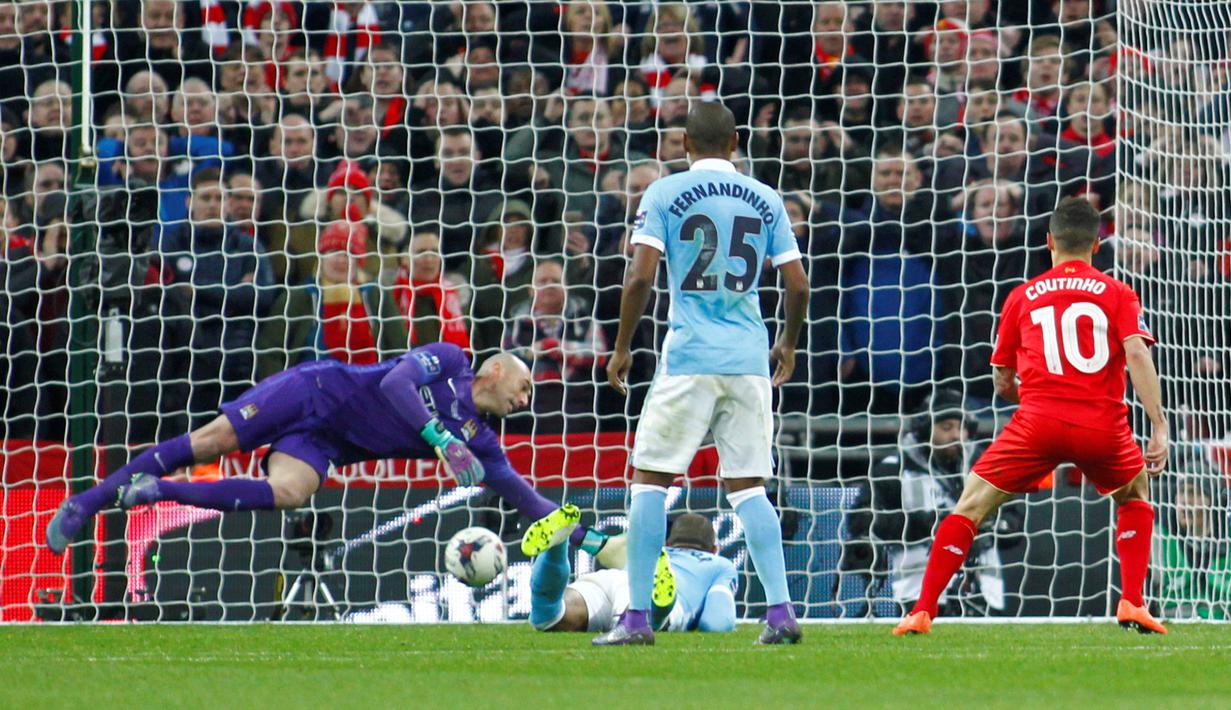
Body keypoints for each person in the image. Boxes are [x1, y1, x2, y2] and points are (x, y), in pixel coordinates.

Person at [45, 343, 625, 570]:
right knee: (210, 443)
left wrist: (594, 542)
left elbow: (527, 501)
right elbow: (398, 383)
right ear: (494, 372)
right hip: (317, 389)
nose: (525, 403)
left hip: (327, 443)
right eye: (524, 390)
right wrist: (438, 438)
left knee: (289, 492)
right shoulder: (449, 360)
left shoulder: (482, 439)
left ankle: (159, 491)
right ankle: (86, 503)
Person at [893, 197, 1170, 636]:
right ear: (1097, 245)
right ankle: (1133, 602)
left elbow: (1001, 382)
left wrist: (1035, 392)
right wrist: (1158, 426)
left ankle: (922, 610)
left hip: (1037, 423)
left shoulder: (1022, 296)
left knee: (970, 507)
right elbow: (1136, 351)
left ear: (1049, 243)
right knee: (1135, 497)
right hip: (1102, 426)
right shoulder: (1118, 293)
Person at [586, 102, 809, 645]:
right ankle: (780, 614)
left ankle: (636, 618)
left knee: (650, 482)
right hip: (749, 359)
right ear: (735, 140)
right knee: (749, 487)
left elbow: (640, 277)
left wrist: (620, 347)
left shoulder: (663, 192)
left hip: (689, 359)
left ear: (684, 142)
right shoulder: (767, 197)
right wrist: (789, 343)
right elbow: (798, 285)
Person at [842, 390, 1024, 616]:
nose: (956, 436)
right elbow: (861, 521)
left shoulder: (985, 466)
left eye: (961, 428)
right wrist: (924, 524)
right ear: (926, 429)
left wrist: (988, 529)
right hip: (914, 589)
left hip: (984, 591)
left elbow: (1014, 523)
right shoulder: (892, 469)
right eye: (946, 428)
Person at [530, 513, 737, 634]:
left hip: (614, 578)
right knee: (644, 619)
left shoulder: (637, 545)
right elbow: (717, 623)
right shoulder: (720, 564)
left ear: (667, 543)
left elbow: (598, 543)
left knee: (550, 616)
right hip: (648, 595)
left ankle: (557, 548)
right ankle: (655, 609)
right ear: (713, 549)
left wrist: (577, 533)